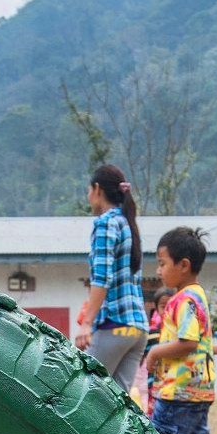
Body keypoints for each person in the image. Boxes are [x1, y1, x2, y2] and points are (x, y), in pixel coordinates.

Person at [72, 164, 149, 391]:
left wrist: (87, 323)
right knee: (117, 405)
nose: (88, 197)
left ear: (97, 189)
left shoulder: (106, 223)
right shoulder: (127, 223)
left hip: (115, 325)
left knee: (86, 392)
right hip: (137, 330)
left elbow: (101, 278)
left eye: (89, 191)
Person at [143, 227, 217, 434]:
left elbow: (189, 342)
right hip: (198, 393)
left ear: (184, 265)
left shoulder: (185, 299)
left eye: (162, 263)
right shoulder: (198, 295)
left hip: (178, 393)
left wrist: (154, 352)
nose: (158, 271)